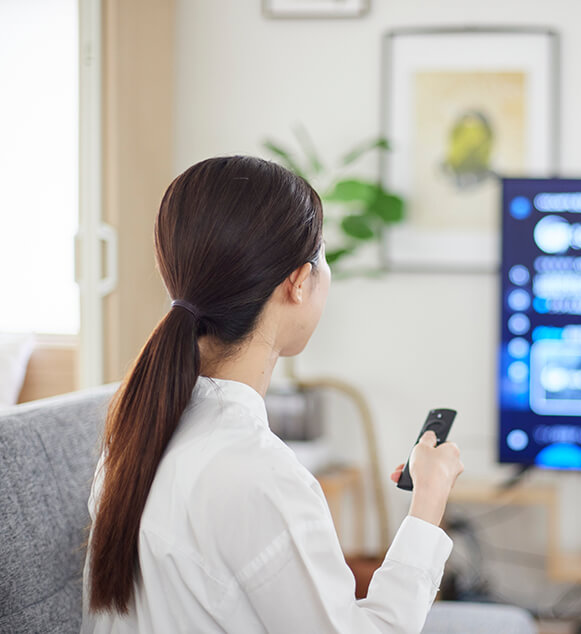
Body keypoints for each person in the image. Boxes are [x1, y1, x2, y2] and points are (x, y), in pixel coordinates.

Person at [82, 156, 464, 633]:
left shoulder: (132, 439)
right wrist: (429, 499)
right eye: (323, 258)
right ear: (299, 283)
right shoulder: (260, 478)